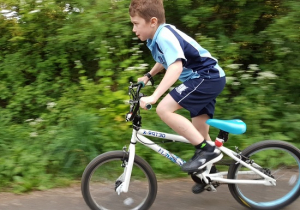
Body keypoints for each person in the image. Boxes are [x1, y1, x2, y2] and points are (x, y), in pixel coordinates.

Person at [129, 0, 226, 174]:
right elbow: (164, 60)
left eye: (136, 24)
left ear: (153, 22)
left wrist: (154, 97)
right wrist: (149, 76)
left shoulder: (164, 35)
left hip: (206, 77)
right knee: (199, 133)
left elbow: (175, 65)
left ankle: (206, 152)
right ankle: (210, 174)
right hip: (207, 79)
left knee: (164, 109)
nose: (134, 29)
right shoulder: (158, 36)